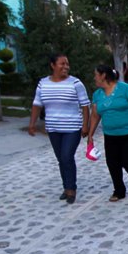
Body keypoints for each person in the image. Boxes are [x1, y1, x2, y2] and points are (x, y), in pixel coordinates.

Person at [29, 53, 90, 204]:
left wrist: (85, 125)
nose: (66, 67)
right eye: (62, 64)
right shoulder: (43, 84)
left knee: (67, 156)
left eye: (67, 64)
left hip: (72, 128)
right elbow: (37, 104)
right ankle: (66, 187)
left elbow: (85, 105)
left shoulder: (75, 83)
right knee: (61, 159)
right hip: (53, 128)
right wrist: (32, 124)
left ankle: (71, 189)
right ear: (53, 65)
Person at [88, 65, 128, 202]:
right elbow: (95, 115)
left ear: (103, 76)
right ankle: (119, 190)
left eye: (96, 75)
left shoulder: (126, 89)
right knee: (112, 163)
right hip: (110, 134)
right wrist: (90, 135)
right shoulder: (97, 95)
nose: (94, 78)